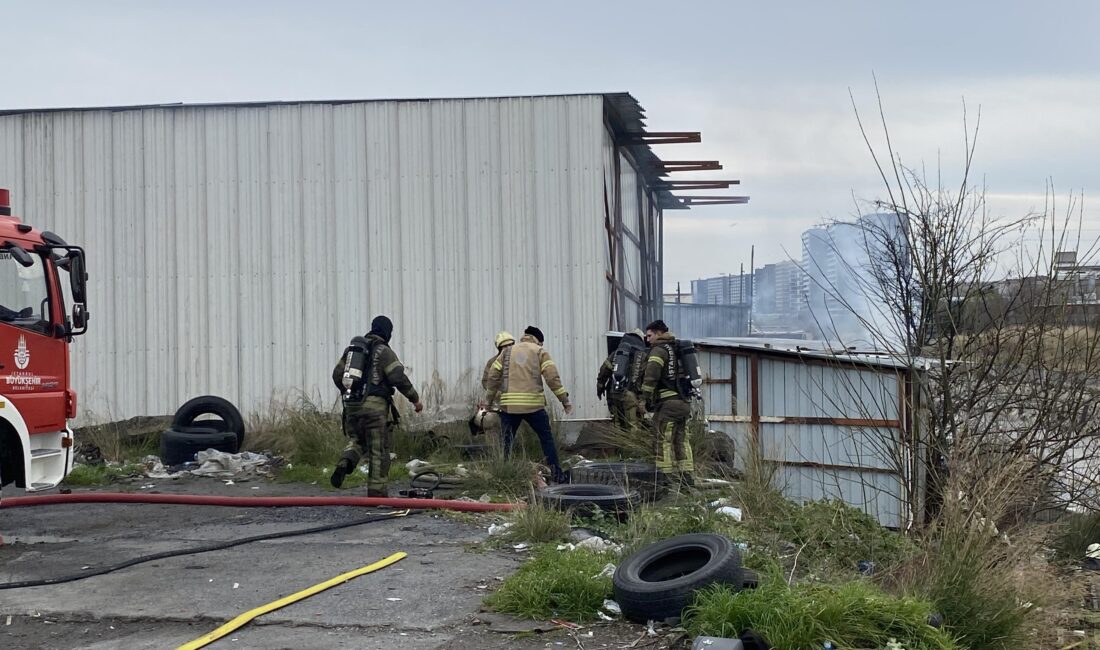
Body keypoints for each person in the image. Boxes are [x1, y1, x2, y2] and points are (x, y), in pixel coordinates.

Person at [330, 315, 422, 495]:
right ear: (387, 332)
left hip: (352, 407)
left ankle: (345, 462)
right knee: (378, 451)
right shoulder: (384, 351)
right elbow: (397, 377)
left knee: (358, 440)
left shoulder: (353, 350)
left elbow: (337, 375)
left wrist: (348, 393)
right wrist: (415, 399)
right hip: (375, 411)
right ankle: (376, 495)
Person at [482, 325, 573, 483]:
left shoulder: (507, 352)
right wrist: (564, 400)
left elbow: (492, 377)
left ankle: (504, 478)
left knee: (506, 443)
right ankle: (557, 475)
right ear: (538, 341)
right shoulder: (539, 351)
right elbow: (552, 378)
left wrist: (488, 402)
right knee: (546, 439)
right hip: (534, 407)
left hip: (509, 408)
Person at [640, 319, 695, 486]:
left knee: (661, 439)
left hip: (669, 403)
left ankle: (663, 480)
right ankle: (687, 478)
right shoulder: (676, 349)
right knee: (681, 440)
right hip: (684, 402)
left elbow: (651, 376)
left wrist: (644, 399)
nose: (647, 339)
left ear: (659, 334)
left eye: (649, 335)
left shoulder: (659, 350)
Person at [596, 329, 646, 442]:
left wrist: (600, 388)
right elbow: (648, 378)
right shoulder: (643, 356)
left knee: (617, 423)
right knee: (633, 425)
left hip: (613, 393)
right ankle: (632, 451)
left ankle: (619, 450)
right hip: (631, 396)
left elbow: (604, 371)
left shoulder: (617, 353)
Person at [469, 332, 512, 436]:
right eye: (505, 346)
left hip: (515, 403)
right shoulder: (492, 362)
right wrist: (496, 394)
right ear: (499, 347)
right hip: (498, 404)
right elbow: (485, 381)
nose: (508, 348)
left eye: (510, 345)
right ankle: (497, 450)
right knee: (495, 430)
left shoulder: (520, 360)